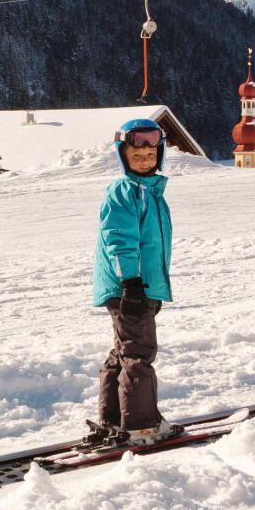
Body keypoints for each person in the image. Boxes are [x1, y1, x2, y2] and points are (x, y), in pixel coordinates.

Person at [86, 119, 181, 447]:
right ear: (123, 156)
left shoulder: (150, 191)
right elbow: (119, 240)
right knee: (138, 352)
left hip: (138, 286)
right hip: (130, 286)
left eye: (150, 154)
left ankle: (114, 418)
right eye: (136, 155)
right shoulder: (126, 191)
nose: (144, 160)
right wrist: (131, 282)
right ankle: (142, 425)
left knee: (125, 350)